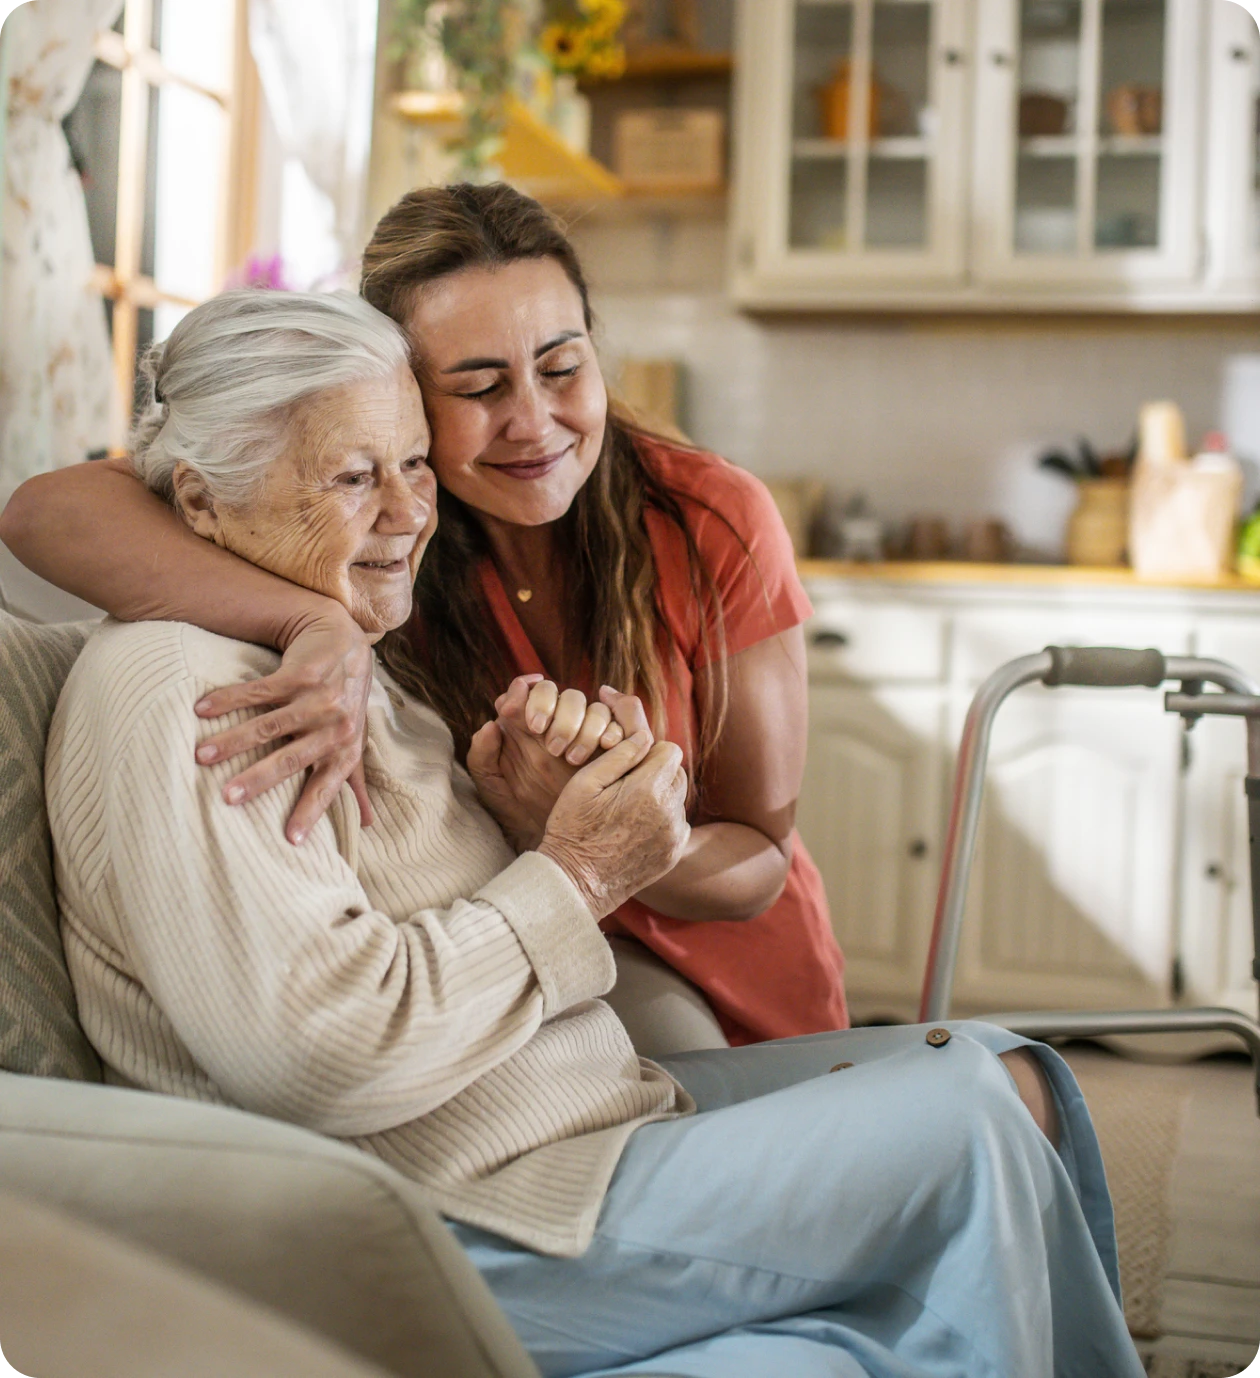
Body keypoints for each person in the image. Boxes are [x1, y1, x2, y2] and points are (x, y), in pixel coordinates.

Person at [43, 289, 1144, 1378]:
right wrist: (574, 871)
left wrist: (545, 809)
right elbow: (322, 1046)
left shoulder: (325, 654)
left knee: (1007, 1071)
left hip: (581, 1131)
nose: (408, 510)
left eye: (415, 463)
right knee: (967, 1123)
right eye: (349, 476)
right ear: (198, 498)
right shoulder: (189, 694)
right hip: (481, 1210)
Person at [3, 182, 846, 1048]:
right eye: (479, 386)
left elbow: (760, 860)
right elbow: (42, 514)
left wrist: (609, 836)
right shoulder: (386, 535)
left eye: (563, 368)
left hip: (735, 976)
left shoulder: (707, 519)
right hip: (520, 971)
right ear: (402, 392)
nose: (535, 423)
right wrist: (313, 624)